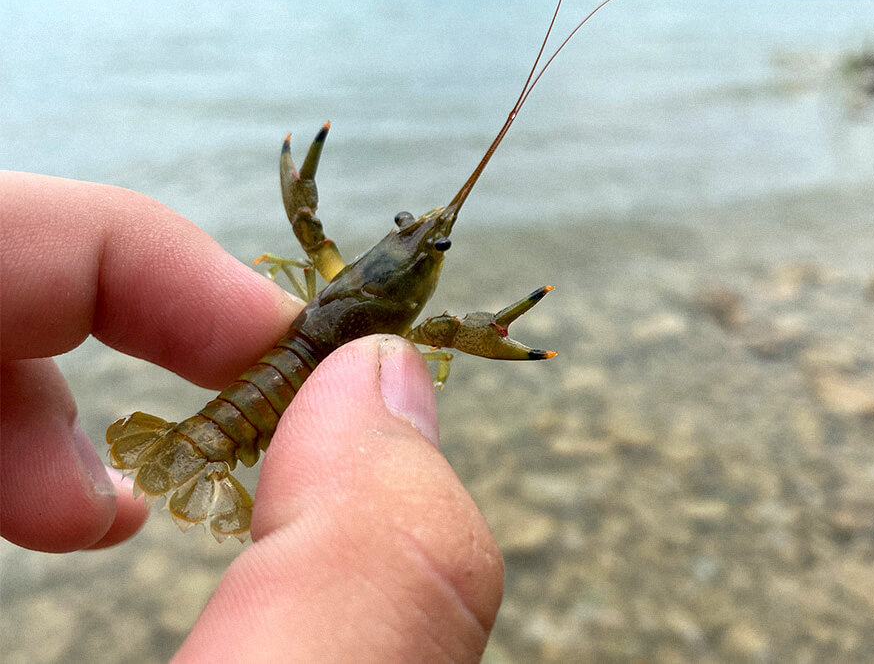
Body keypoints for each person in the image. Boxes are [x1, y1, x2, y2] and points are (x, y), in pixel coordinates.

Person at [0, 171, 504, 660]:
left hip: (270, 373)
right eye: (408, 226)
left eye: (435, 244)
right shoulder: (417, 308)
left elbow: (309, 230)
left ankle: (193, 445)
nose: (421, 234)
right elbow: (442, 335)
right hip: (281, 387)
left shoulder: (330, 272)